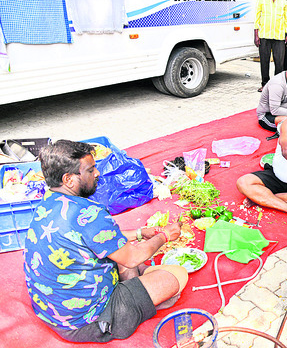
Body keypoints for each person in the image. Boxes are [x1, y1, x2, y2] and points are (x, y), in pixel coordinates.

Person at [24, 140, 188, 342]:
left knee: (125, 258)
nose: (97, 174)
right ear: (68, 179)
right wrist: (164, 236)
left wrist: (139, 233)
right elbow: (133, 257)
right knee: (174, 279)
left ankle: (137, 288)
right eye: (90, 170)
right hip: (87, 322)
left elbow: (92, 237)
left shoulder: (47, 201)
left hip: (51, 311)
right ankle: (134, 302)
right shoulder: (89, 213)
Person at [254, 0, 287, 92]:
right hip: (264, 36)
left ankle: (277, 86)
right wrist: (256, 34)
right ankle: (265, 84)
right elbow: (257, 17)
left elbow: (286, 19)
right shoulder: (262, 0)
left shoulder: (283, 1)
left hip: (279, 36)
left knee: (279, 63)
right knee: (264, 62)